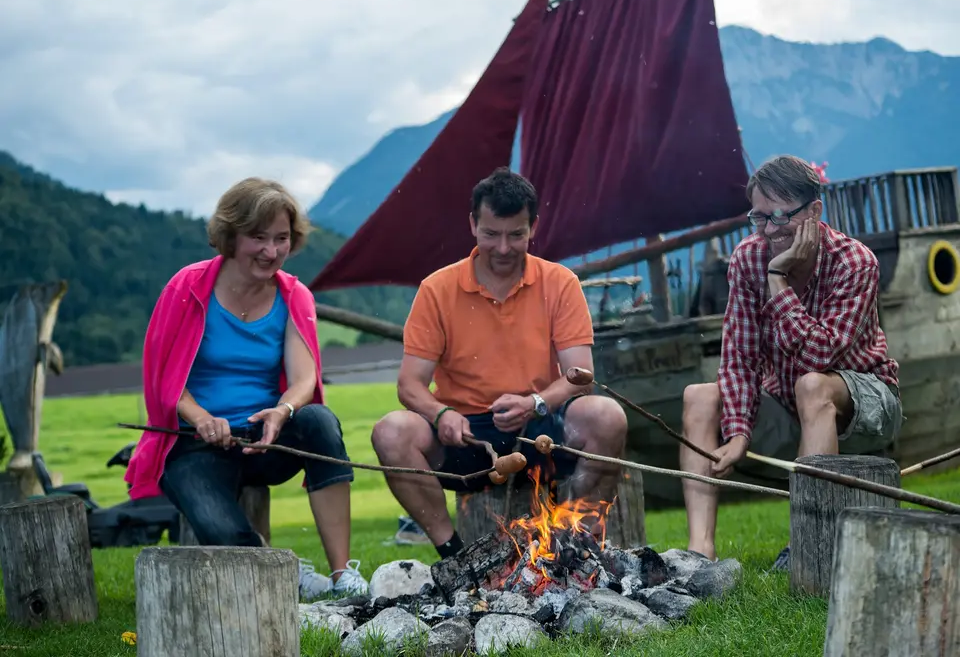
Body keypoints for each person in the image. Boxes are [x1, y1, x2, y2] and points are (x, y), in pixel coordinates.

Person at [123, 177, 369, 599]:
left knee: (320, 421)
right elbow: (165, 380)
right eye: (258, 237)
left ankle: (342, 574)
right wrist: (202, 419)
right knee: (216, 525)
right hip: (195, 441)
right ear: (231, 236)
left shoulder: (295, 296)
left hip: (265, 439)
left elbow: (304, 379)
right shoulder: (186, 287)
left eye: (281, 238)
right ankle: (282, 573)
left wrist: (282, 412)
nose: (271, 252)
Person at [371, 167, 628, 559]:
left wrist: (536, 402)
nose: (504, 248)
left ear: (534, 227)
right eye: (492, 234)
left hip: (541, 423)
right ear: (473, 225)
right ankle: (455, 555)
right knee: (391, 432)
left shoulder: (560, 282)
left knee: (608, 416)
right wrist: (440, 415)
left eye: (516, 235)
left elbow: (580, 378)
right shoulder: (437, 289)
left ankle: (577, 546)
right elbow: (409, 385)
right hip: (464, 434)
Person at [679, 155, 902, 565]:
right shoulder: (747, 259)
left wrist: (778, 280)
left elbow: (819, 356)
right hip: (788, 407)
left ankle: (808, 545)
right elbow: (738, 360)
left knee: (812, 384)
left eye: (780, 217)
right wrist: (740, 432)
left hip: (864, 411)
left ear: (814, 211)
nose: (769, 231)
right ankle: (699, 556)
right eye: (759, 218)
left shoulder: (855, 262)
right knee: (699, 396)